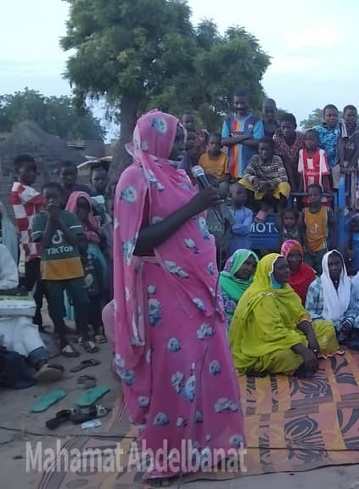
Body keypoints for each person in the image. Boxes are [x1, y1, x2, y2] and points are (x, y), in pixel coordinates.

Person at [113, 110, 244, 483]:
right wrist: (194, 206)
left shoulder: (177, 174)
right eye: (178, 134)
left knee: (207, 365)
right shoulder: (135, 177)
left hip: (198, 290)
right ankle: (168, 458)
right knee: (174, 374)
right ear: (157, 137)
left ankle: (214, 445)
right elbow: (136, 243)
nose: (186, 140)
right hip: (163, 292)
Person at [229, 253, 339, 376]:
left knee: (327, 328)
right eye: (281, 268)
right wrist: (303, 350)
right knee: (284, 357)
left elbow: (300, 314)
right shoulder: (262, 296)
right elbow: (274, 331)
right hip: (265, 341)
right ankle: (303, 357)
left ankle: (306, 355)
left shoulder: (285, 288)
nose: (287, 271)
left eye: (287, 267)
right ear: (269, 272)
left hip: (291, 332)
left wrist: (311, 336)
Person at [31, 182, 95, 357]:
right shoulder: (38, 219)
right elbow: (44, 243)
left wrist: (58, 220)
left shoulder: (70, 217)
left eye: (54, 197)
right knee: (56, 306)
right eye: (47, 197)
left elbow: (76, 241)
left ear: (61, 199)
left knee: (82, 302)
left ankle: (84, 335)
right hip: (52, 270)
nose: (51, 201)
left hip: (72, 266)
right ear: (42, 200)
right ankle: (64, 341)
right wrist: (51, 222)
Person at [0, 242, 64, 383]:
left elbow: (11, 280)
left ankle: (41, 363)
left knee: (23, 323)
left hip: (4, 305)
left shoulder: (1, 250)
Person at [66, 191, 109, 344]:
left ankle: (98, 328)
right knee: (79, 298)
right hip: (76, 264)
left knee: (96, 297)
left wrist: (88, 225)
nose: (81, 211)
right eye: (78, 207)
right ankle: (82, 330)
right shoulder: (67, 223)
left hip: (95, 264)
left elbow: (100, 238)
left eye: (85, 207)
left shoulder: (95, 220)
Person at [306, 250, 359, 349]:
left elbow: (352, 309)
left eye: (337, 264)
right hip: (325, 323)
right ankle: (344, 338)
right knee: (325, 331)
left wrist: (348, 322)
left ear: (342, 265)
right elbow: (310, 314)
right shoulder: (316, 286)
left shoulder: (348, 283)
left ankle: (345, 337)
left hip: (344, 322)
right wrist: (333, 326)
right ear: (325, 266)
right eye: (330, 264)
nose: (334, 268)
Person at [13, 156, 46, 329]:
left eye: (34, 170)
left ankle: (36, 321)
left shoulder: (26, 190)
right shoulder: (21, 189)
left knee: (38, 285)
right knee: (33, 287)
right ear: (16, 172)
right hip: (31, 244)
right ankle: (33, 322)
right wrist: (46, 172)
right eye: (28, 170)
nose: (32, 173)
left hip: (32, 243)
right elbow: (47, 199)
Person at [240, 140, 290, 222]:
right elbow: (246, 174)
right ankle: (251, 206)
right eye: (261, 149)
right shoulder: (255, 158)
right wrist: (254, 179)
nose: (264, 152)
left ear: (272, 150)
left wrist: (270, 183)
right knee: (243, 182)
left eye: (267, 150)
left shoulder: (277, 159)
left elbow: (284, 177)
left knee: (285, 185)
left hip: (274, 187)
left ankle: (280, 209)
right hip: (259, 187)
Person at [221, 90, 264, 178]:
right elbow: (224, 141)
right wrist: (245, 137)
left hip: (251, 170)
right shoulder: (228, 120)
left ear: (248, 103)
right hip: (232, 170)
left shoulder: (255, 121)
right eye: (237, 103)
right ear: (233, 104)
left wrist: (234, 139)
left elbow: (258, 142)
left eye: (243, 103)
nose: (240, 106)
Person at [300, 184, 335, 273]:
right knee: (307, 271)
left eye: (316, 195)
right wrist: (307, 246)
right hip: (308, 247)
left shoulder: (327, 210)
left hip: (322, 246)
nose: (313, 197)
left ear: (321, 196)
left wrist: (331, 243)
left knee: (322, 270)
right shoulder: (304, 212)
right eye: (310, 195)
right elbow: (302, 230)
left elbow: (334, 226)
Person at [218, 249, 258, 325]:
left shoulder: (255, 286)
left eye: (253, 266)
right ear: (236, 262)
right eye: (246, 263)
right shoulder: (218, 282)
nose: (250, 268)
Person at [273, 113, 305, 189]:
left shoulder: (301, 137)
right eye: (283, 127)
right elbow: (283, 160)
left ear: (294, 127)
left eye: (289, 127)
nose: (286, 130)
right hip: (284, 171)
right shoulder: (277, 139)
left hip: (300, 168)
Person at [282, 239, 317, 304]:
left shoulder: (308, 272)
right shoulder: (279, 274)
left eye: (298, 255)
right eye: (291, 256)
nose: (295, 259)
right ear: (284, 256)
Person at [297, 129, 331, 194]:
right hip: (306, 187)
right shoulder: (301, 152)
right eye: (306, 139)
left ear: (317, 141)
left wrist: (326, 189)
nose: (308, 142)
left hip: (319, 186)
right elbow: (301, 173)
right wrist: (300, 189)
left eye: (311, 140)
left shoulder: (321, 153)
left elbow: (324, 174)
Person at [337, 104, 359, 180]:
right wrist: (342, 165)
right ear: (344, 116)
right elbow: (340, 145)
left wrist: (350, 166)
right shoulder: (340, 126)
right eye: (348, 115)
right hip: (339, 161)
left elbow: (357, 150)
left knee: (353, 182)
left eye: (354, 116)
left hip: (352, 161)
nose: (351, 118)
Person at [198, 133, 231, 197]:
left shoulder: (225, 158)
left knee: (223, 187)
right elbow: (199, 173)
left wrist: (218, 181)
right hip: (206, 181)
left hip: (219, 182)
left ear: (221, 146)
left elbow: (228, 176)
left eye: (217, 144)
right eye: (212, 143)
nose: (214, 146)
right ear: (208, 144)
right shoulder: (203, 157)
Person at [315, 104, 341, 178]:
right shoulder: (317, 130)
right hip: (320, 164)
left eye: (335, 115)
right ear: (324, 117)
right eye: (329, 115)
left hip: (336, 164)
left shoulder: (341, 129)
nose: (332, 118)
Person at [227, 183, 253, 255]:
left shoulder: (248, 212)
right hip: (228, 248)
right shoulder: (226, 211)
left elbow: (245, 229)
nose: (243, 195)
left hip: (244, 247)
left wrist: (229, 228)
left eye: (245, 193)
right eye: (239, 193)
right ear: (230, 195)